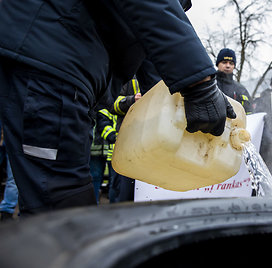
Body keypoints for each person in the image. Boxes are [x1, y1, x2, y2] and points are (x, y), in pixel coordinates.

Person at [0, 0, 235, 216]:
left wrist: (180, 94)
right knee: (61, 204)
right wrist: (200, 85)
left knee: (51, 199)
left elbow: (148, 50)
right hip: (50, 59)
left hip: (52, 58)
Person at [215, 48, 253, 114]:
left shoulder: (241, 89)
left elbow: (249, 113)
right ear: (218, 64)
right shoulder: (209, 85)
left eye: (231, 63)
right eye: (224, 62)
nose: (228, 66)